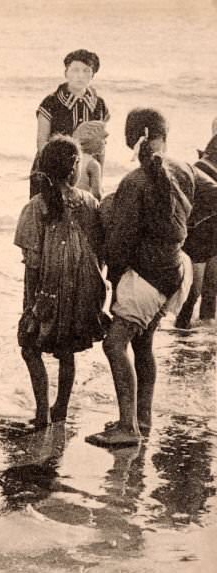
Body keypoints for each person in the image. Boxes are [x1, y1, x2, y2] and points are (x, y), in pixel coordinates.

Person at [87, 109, 217, 446]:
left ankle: (127, 428)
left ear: (134, 138)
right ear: (164, 134)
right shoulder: (185, 169)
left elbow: (120, 243)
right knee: (143, 344)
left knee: (114, 344)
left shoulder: (134, 182)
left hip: (146, 277)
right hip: (178, 272)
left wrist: (113, 282)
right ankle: (141, 420)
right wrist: (185, 230)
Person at [15, 136, 109, 428]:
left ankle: (42, 410)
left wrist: (29, 304)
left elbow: (32, 263)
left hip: (47, 290)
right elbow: (100, 251)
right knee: (66, 351)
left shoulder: (35, 206)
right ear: (74, 170)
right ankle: (61, 409)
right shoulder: (90, 203)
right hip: (83, 291)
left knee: (30, 347)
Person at [31, 50, 110, 198]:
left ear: (93, 75)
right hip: (51, 170)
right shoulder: (51, 102)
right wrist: (51, 174)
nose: (80, 75)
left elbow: (101, 146)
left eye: (86, 71)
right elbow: (42, 143)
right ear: (66, 73)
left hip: (87, 171)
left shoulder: (99, 104)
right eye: (75, 70)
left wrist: (99, 178)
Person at [175, 120, 217, 328]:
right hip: (196, 241)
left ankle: (200, 343)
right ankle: (182, 335)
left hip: (211, 238)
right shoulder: (199, 170)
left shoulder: (202, 168)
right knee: (193, 294)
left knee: (209, 294)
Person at [72, 120, 107, 200]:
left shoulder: (74, 157)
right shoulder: (93, 164)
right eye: (103, 138)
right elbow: (96, 195)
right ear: (93, 139)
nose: (105, 142)